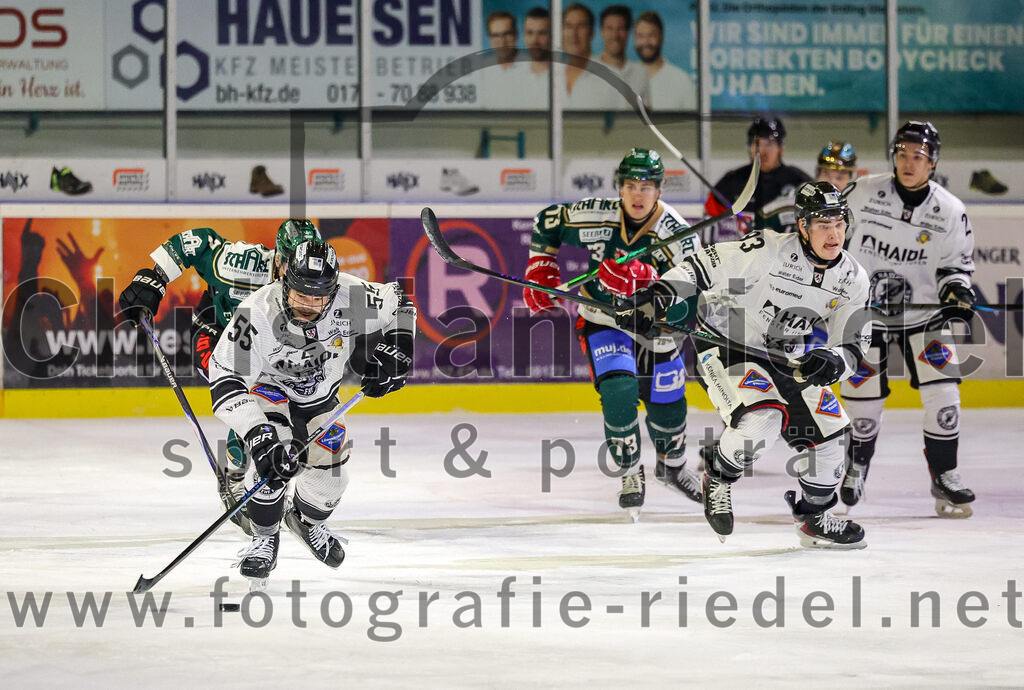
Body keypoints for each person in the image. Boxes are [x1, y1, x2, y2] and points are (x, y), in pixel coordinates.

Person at [616, 181, 872, 549]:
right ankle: (717, 479)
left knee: (832, 438)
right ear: (802, 226)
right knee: (763, 421)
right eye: (822, 224)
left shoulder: (853, 278)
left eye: (838, 223)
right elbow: (701, 267)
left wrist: (835, 361)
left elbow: (855, 345)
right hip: (727, 345)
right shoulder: (766, 250)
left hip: (787, 357)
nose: (833, 234)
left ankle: (815, 519)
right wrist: (657, 297)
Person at [209, 239, 416, 586]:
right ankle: (264, 537)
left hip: (320, 400)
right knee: (271, 462)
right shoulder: (256, 311)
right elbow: (226, 380)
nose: (307, 305)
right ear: (285, 283)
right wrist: (258, 438)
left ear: (332, 291)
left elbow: (401, 301)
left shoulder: (351, 296)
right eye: (300, 295)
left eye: (317, 298)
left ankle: (305, 522)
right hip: (269, 392)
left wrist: (400, 345)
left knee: (331, 484)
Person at [523, 148, 702, 519]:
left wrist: (651, 286)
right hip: (603, 319)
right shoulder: (597, 214)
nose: (638, 194)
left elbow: (694, 300)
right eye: (631, 185)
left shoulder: (678, 235)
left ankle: (672, 467)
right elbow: (547, 220)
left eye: (647, 186)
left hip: (658, 332)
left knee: (667, 412)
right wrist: (541, 265)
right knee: (618, 389)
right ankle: (630, 471)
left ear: (660, 190)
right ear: (619, 187)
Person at [118, 219, 322, 533]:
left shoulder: (313, 286)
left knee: (279, 400)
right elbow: (197, 244)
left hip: (259, 349)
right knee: (249, 394)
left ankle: (254, 469)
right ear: (279, 257)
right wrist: (154, 277)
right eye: (292, 264)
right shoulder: (243, 264)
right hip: (214, 334)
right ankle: (236, 476)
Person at [839, 121, 977, 518]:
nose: (908, 163)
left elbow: (956, 265)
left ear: (932, 163)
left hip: (925, 315)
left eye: (918, 157)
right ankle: (855, 467)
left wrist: (956, 292)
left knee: (945, 394)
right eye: (902, 154)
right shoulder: (864, 192)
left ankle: (945, 473)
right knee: (862, 402)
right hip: (866, 315)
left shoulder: (951, 210)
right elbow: (830, 236)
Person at [705, 116, 811, 241]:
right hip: (744, 255)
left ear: (781, 148)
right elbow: (709, 222)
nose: (761, 151)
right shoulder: (732, 181)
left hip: (788, 256)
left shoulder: (798, 181)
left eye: (769, 143)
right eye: (756, 143)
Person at [561, 2, 619, 110]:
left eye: (581, 26)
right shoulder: (550, 76)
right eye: (568, 26)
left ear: (591, 32)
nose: (574, 33)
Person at [634, 10, 696, 111]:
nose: (646, 42)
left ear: (661, 37)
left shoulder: (681, 80)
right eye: (640, 36)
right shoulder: (625, 78)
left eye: (651, 35)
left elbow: (692, 125)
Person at [596, 5, 650, 106]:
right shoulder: (588, 72)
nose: (615, 35)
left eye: (621, 28)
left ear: (628, 32)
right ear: (601, 31)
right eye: (609, 28)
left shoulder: (641, 73)